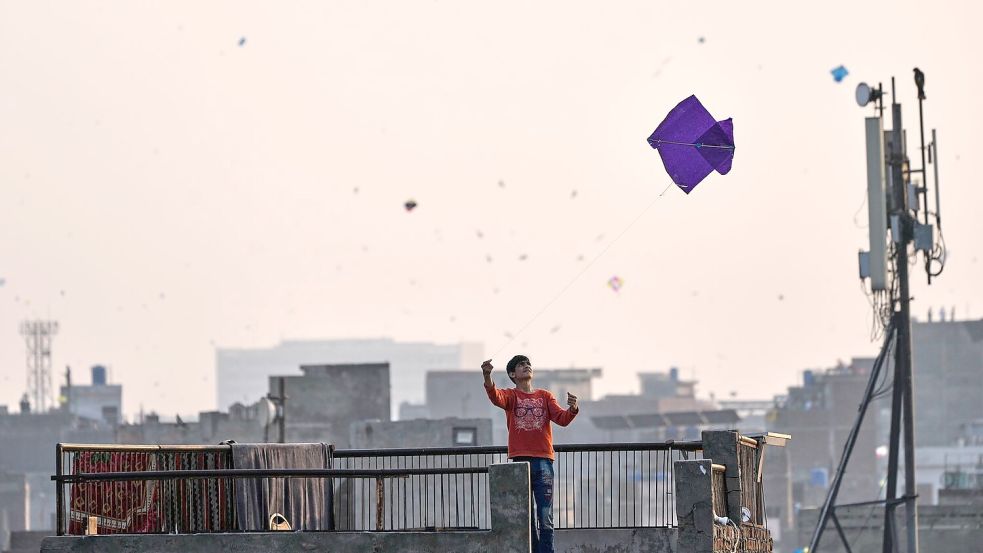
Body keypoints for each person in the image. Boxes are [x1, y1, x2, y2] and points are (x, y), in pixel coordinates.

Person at [482, 355, 579, 553]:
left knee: (545, 516)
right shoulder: (511, 396)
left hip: (543, 461)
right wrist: (487, 376)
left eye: (528, 364)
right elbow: (495, 396)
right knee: (527, 517)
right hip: (520, 462)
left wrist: (573, 408)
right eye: (521, 365)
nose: (526, 366)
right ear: (512, 374)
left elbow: (562, 418)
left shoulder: (545, 396)